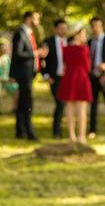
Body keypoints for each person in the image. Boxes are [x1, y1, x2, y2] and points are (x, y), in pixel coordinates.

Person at [10, 11, 48, 141]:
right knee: (27, 103)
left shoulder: (29, 33)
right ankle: (29, 131)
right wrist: (35, 53)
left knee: (22, 103)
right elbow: (17, 54)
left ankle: (20, 131)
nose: (38, 21)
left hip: (29, 74)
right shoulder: (20, 33)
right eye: (36, 18)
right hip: (23, 74)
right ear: (29, 18)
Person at [57, 23, 93, 144]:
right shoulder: (84, 48)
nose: (85, 36)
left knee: (70, 108)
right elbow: (88, 67)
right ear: (76, 34)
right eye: (83, 33)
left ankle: (71, 136)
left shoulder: (65, 48)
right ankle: (81, 136)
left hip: (69, 79)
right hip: (81, 79)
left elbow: (65, 64)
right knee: (81, 109)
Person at [42, 19, 67, 138]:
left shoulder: (69, 42)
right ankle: (56, 131)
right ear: (56, 29)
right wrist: (46, 76)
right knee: (60, 103)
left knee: (64, 105)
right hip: (55, 78)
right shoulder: (48, 42)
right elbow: (41, 61)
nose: (63, 30)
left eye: (65, 28)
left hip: (67, 78)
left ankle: (61, 130)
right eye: (61, 28)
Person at [88, 17, 105, 138]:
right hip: (92, 76)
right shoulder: (89, 42)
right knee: (93, 104)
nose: (96, 28)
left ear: (102, 26)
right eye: (94, 26)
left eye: (98, 25)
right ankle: (92, 130)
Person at [0, 41, 19, 114]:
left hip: (8, 80)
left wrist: (13, 77)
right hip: (2, 80)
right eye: (3, 48)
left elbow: (12, 69)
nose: (5, 49)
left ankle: (15, 109)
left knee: (17, 89)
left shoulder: (7, 58)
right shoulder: (1, 59)